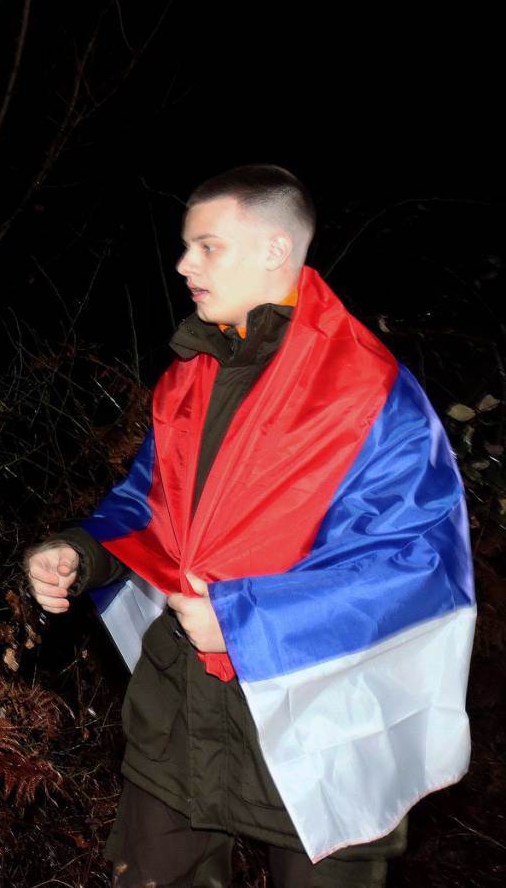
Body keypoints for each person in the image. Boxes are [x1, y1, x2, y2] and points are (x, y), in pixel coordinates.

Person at [25, 166, 474, 887]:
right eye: (185, 246)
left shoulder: (371, 392)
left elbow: (416, 564)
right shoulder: (194, 373)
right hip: (180, 714)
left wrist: (241, 619)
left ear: (273, 249)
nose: (184, 265)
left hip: (318, 716)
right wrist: (80, 553)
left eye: (206, 246)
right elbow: (149, 500)